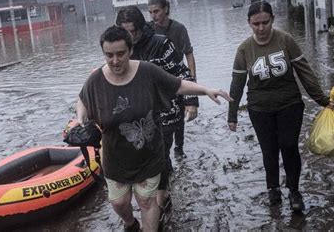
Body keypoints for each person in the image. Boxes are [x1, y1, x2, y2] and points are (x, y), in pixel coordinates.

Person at [77, 25, 231, 231]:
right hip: (115, 157)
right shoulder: (95, 80)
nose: (115, 61)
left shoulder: (147, 71)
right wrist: (81, 120)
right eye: (109, 55)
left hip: (148, 155)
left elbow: (178, 85)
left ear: (131, 50)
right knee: (119, 203)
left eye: (121, 54)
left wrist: (206, 90)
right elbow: (82, 100)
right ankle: (131, 224)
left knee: (147, 202)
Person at [228, 1, 334, 212]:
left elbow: (305, 72)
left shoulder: (285, 40)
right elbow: (237, 83)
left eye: (265, 22)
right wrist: (232, 115)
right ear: (249, 23)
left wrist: (322, 99)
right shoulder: (244, 49)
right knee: (269, 150)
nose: (261, 28)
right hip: (259, 108)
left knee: (289, 146)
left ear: (272, 20)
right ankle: (273, 189)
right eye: (256, 24)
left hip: (290, 104)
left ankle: (294, 191)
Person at [115, 6, 198, 216]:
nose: (129, 37)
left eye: (132, 32)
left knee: (160, 152)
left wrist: (191, 100)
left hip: (166, 110)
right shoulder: (120, 50)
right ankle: (155, 192)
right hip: (137, 115)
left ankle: (162, 195)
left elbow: (182, 73)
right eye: (124, 33)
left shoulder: (161, 44)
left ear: (142, 28)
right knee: (145, 153)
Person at [148, 0, 197, 158]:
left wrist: (192, 79)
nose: (154, 15)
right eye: (150, 12)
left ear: (166, 9)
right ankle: (164, 150)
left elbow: (189, 54)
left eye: (156, 11)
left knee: (179, 113)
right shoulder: (149, 30)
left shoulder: (179, 29)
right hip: (158, 80)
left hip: (178, 77)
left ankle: (179, 147)